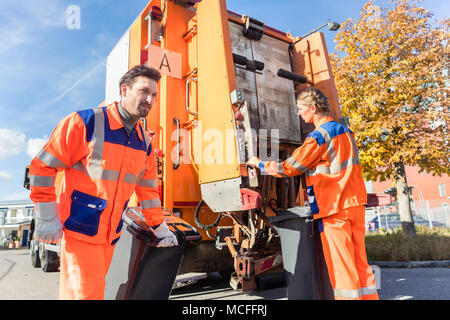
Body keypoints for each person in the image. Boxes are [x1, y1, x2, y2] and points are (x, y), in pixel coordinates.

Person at [29, 65, 178, 300]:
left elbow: (148, 191)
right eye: (144, 91)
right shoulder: (85, 123)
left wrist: (159, 226)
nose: (150, 99)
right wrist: (47, 215)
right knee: (87, 296)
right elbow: (42, 167)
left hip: (111, 237)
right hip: (80, 233)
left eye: (154, 95)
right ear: (124, 89)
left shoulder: (145, 143)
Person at [247, 87, 379, 300]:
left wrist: (260, 164)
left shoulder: (319, 136)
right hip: (355, 205)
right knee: (360, 263)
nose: (299, 113)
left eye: (301, 109)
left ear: (313, 108)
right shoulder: (346, 132)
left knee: (342, 267)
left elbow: (290, 167)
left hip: (335, 209)